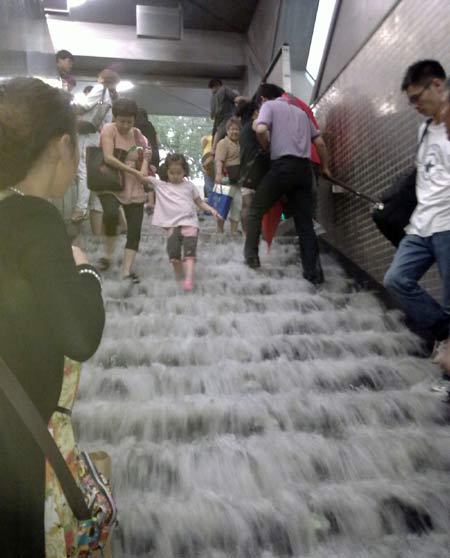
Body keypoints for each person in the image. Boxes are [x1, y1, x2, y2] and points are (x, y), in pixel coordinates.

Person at [0, 76, 105, 558]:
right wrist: (86, 269)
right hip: (12, 444)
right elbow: (79, 334)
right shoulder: (37, 221)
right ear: (63, 145)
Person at [384, 60, 450, 383]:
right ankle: (447, 334)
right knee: (396, 279)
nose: (414, 106)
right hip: (421, 224)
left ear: (437, 85)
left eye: (416, 98)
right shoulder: (424, 128)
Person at [244, 83, 331, 285]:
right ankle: (313, 273)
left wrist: (266, 145)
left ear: (264, 99)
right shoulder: (302, 113)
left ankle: (251, 258)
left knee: (256, 208)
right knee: (305, 223)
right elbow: (319, 143)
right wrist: (325, 167)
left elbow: (261, 129)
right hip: (304, 171)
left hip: (282, 166)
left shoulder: (269, 106)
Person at [145, 153, 221, 291]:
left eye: (179, 173)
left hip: (190, 223)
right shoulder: (161, 185)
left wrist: (212, 209)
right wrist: (145, 159)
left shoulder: (189, 186)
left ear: (184, 171)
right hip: (173, 226)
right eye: (172, 173)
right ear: (166, 171)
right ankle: (180, 277)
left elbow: (199, 202)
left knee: (189, 254)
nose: (175, 176)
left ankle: (189, 279)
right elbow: (142, 177)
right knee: (174, 257)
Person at [97, 98, 150, 283]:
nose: (125, 125)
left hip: (133, 187)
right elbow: (109, 158)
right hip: (110, 182)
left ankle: (127, 271)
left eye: (129, 121)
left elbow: (144, 165)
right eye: (122, 121)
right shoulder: (109, 129)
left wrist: (142, 167)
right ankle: (108, 255)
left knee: (135, 230)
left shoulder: (139, 137)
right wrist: (132, 170)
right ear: (115, 118)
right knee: (111, 214)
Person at [71, 68, 120, 223]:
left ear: (102, 78)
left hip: (88, 134)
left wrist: (68, 103)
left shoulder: (100, 89)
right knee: (90, 171)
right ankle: (88, 207)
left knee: (82, 170)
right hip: (98, 136)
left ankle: (80, 208)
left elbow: (85, 105)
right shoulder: (112, 96)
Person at [235, 98, 270, 233]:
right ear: (255, 112)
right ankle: (259, 234)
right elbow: (262, 131)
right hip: (258, 169)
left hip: (245, 171)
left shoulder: (243, 129)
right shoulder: (255, 123)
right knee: (259, 205)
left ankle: (246, 235)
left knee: (246, 204)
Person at [215, 116, 242, 234]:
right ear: (227, 130)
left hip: (238, 180)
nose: (234, 132)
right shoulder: (223, 143)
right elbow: (219, 160)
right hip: (225, 179)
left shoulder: (241, 144)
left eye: (237, 129)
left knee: (237, 205)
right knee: (222, 206)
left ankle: (234, 231)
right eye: (232, 129)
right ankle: (219, 230)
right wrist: (218, 174)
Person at [208, 78, 239, 152]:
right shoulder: (224, 89)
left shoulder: (213, 98)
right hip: (229, 118)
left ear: (214, 86)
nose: (212, 90)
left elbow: (212, 116)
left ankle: (214, 152)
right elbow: (236, 98)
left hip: (218, 123)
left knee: (217, 139)